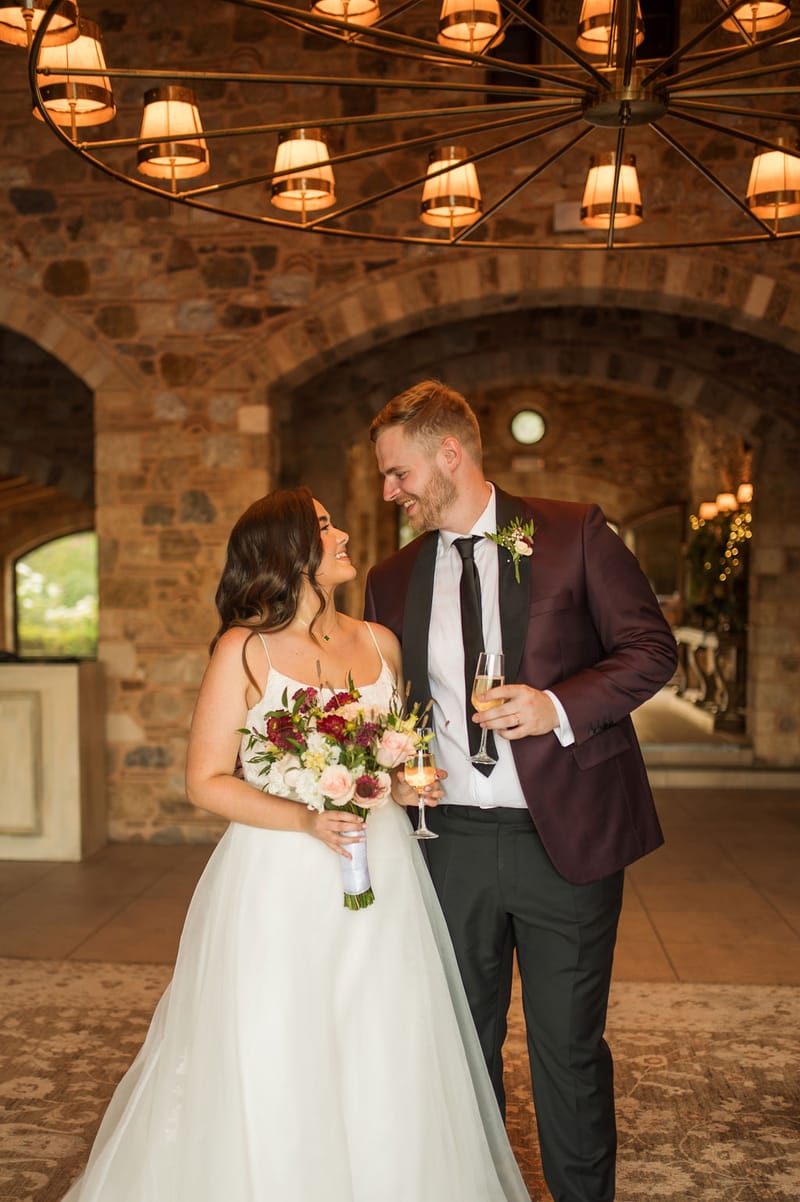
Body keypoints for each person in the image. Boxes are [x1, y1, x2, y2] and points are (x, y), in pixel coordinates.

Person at [62, 486, 532, 1202]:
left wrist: (403, 788)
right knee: (282, 1035)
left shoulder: (379, 643)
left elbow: (391, 763)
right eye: (324, 526)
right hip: (280, 875)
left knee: (382, 1028)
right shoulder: (244, 651)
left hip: (384, 870)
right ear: (290, 552)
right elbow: (205, 782)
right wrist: (306, 820)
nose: (341, 535)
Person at [364, 383, 679, 1202]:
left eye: (398, 473)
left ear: (450, 453)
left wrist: (556, 706)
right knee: (461, 1051)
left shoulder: (574, 533)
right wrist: (393, 765)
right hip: (447, 844)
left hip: (563, 838)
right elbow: (392, 706)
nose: (389, 492)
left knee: (568, 1052)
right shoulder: (391, 578)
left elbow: (651, 650)